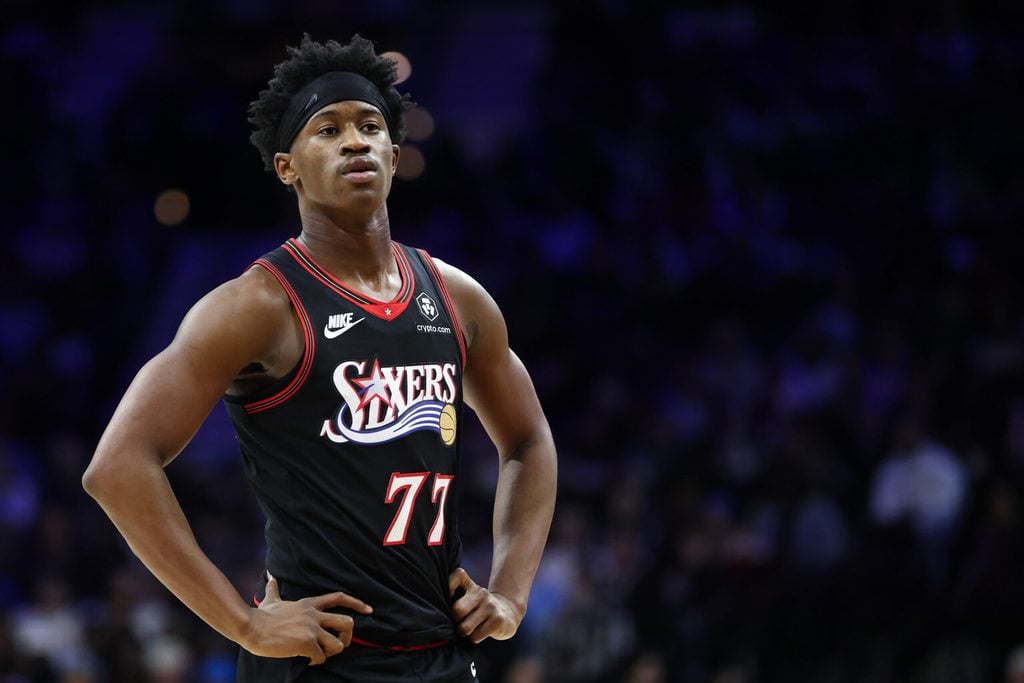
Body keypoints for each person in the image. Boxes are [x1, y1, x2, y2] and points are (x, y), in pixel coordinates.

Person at [82, 33, 558, 682]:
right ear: (287, 167)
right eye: (327, 130)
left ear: (395, 152)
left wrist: (510, 592)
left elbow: (529, 440)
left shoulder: (459, 298)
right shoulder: (255, 304)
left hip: (441, 650)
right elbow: (117, 466)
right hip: (320, 657)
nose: (354, 141)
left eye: (369, 127)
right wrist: (243, 622)